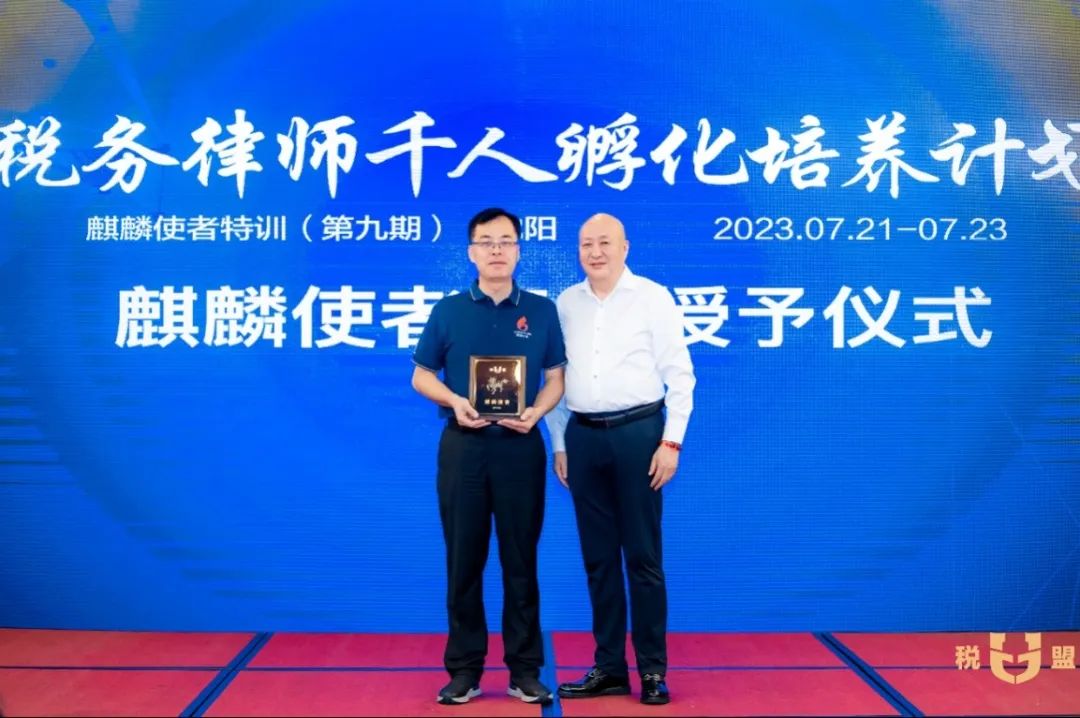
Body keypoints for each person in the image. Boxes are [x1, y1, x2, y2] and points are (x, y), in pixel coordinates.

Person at [412, 207, 566, 706]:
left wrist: (537, 411)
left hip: (520, 448)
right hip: (465, 449)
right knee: (464, 561)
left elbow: (556, 378)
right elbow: (421, 375)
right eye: (486, 241)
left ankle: (524, 670)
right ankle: (464, 670)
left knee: (521, 561)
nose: (496, 249)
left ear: (519, 250)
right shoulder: (449, 310)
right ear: (471, 252)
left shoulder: (541, 310)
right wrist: (455, 400)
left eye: (505, 241)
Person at [545, 213, 695, 706]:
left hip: (639, 436)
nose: (595, 252)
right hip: (583, 438)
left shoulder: (652, 297)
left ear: (625, 247)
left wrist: (671, 442)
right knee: (599, 560)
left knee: (643, 559)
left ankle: (652, 670)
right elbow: (556, 380)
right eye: (586, 244)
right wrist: (560, 443)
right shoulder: (566, 303)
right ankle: (609, 667)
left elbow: (680, 374)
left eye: (605, 243)